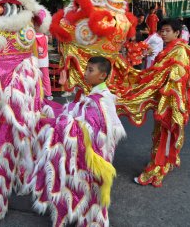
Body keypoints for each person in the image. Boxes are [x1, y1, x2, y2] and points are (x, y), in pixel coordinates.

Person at [31, 56, 126, 226]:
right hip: (90, 156)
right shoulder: (95, 94)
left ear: (102, 75)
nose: (85, 73)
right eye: (86, 69)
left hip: (93, 157)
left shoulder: (100, 100)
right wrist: (52, 111)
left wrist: (56, 122)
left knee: (88, 192)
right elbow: (75, 113)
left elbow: (86, 128)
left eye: (90, 70)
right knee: (81, 189)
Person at [134, 19, 190, 187]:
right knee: (161, 134)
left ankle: (156, 169)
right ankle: (165, 162)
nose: (163, 33)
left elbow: (178, 78)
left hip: (170, 102)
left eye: (167, 30)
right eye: (162, 30)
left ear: (176, 33)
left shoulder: (179, 51)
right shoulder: (168, 49)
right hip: (163, 99)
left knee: (164, 134)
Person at [35, 33, 53, 100]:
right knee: (46, 78)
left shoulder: (32, 36)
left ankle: (37, 94)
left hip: (35, 60)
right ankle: (48, 94)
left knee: (36, 78)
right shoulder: (45, 37)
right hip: (44, 61)